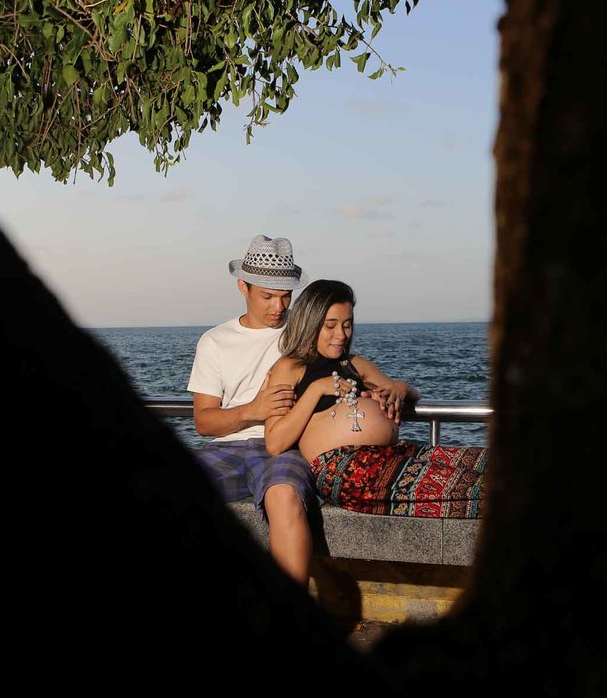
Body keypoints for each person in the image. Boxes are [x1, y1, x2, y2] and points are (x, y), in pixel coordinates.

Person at [264, 280, 487, 519]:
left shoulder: (354, 364)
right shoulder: (291, 367)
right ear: (310, 323)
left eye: (347, 325)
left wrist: (400, 389)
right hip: (347, 468)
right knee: (478, 489)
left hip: (394, 453)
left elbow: (409, 392)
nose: (341, 335)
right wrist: (316, 390)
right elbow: (275, 443)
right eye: (330, 326)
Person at [187, 235, 318, 585]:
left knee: (285, 496)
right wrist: (252, 410)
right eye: (269, 296)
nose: (279, 306)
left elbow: (351, 371)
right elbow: (203, 421)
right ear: (243, 286)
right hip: (224, 449)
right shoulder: (214, 341)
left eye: (286, 295)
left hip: (281, 447)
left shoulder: (306, 336)